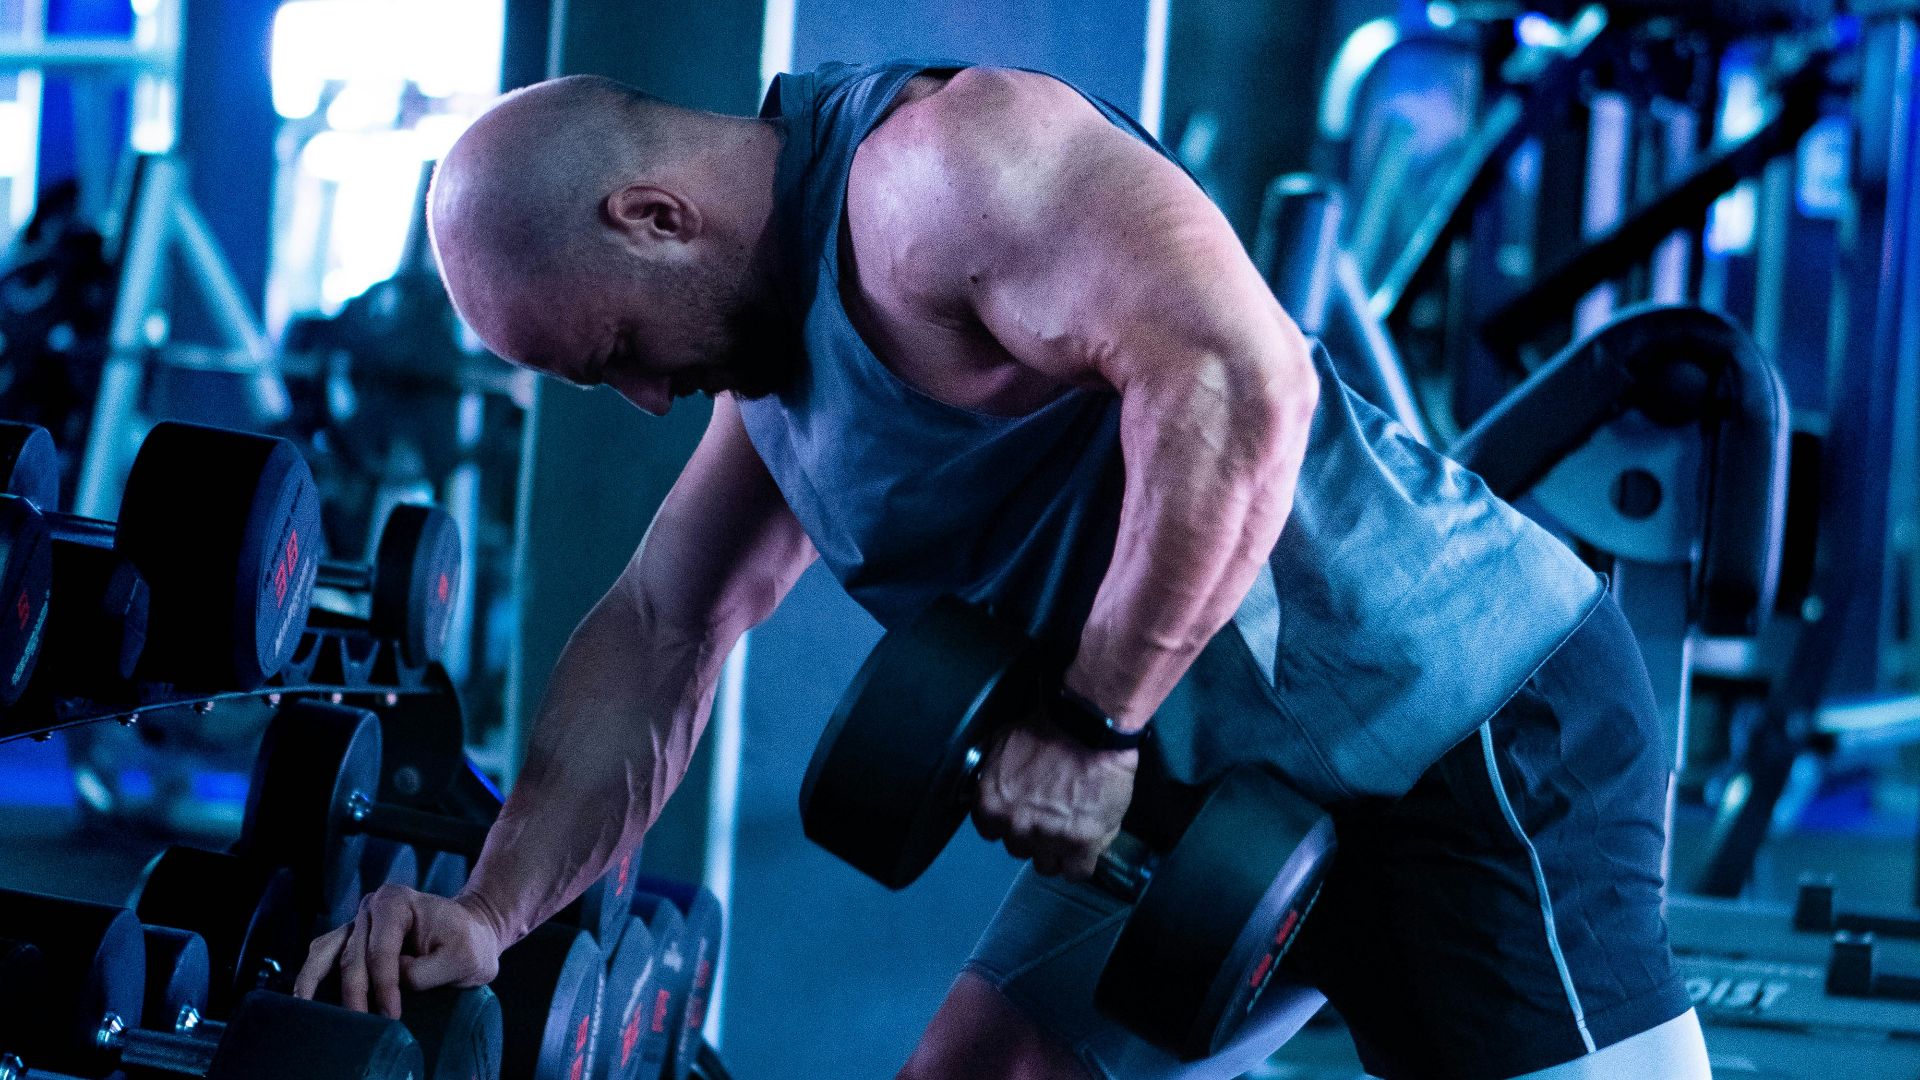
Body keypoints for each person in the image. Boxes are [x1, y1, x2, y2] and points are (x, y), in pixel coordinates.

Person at [294, 61, 1712, 1080]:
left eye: (613, 355)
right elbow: (664, 625)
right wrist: (492, 909)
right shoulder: (780, 384)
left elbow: (1233, 380)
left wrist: (1093, 720)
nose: (650, 405)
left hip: (1463, 739)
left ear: (653, 217)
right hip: (1205, 797)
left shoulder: (947, 173)